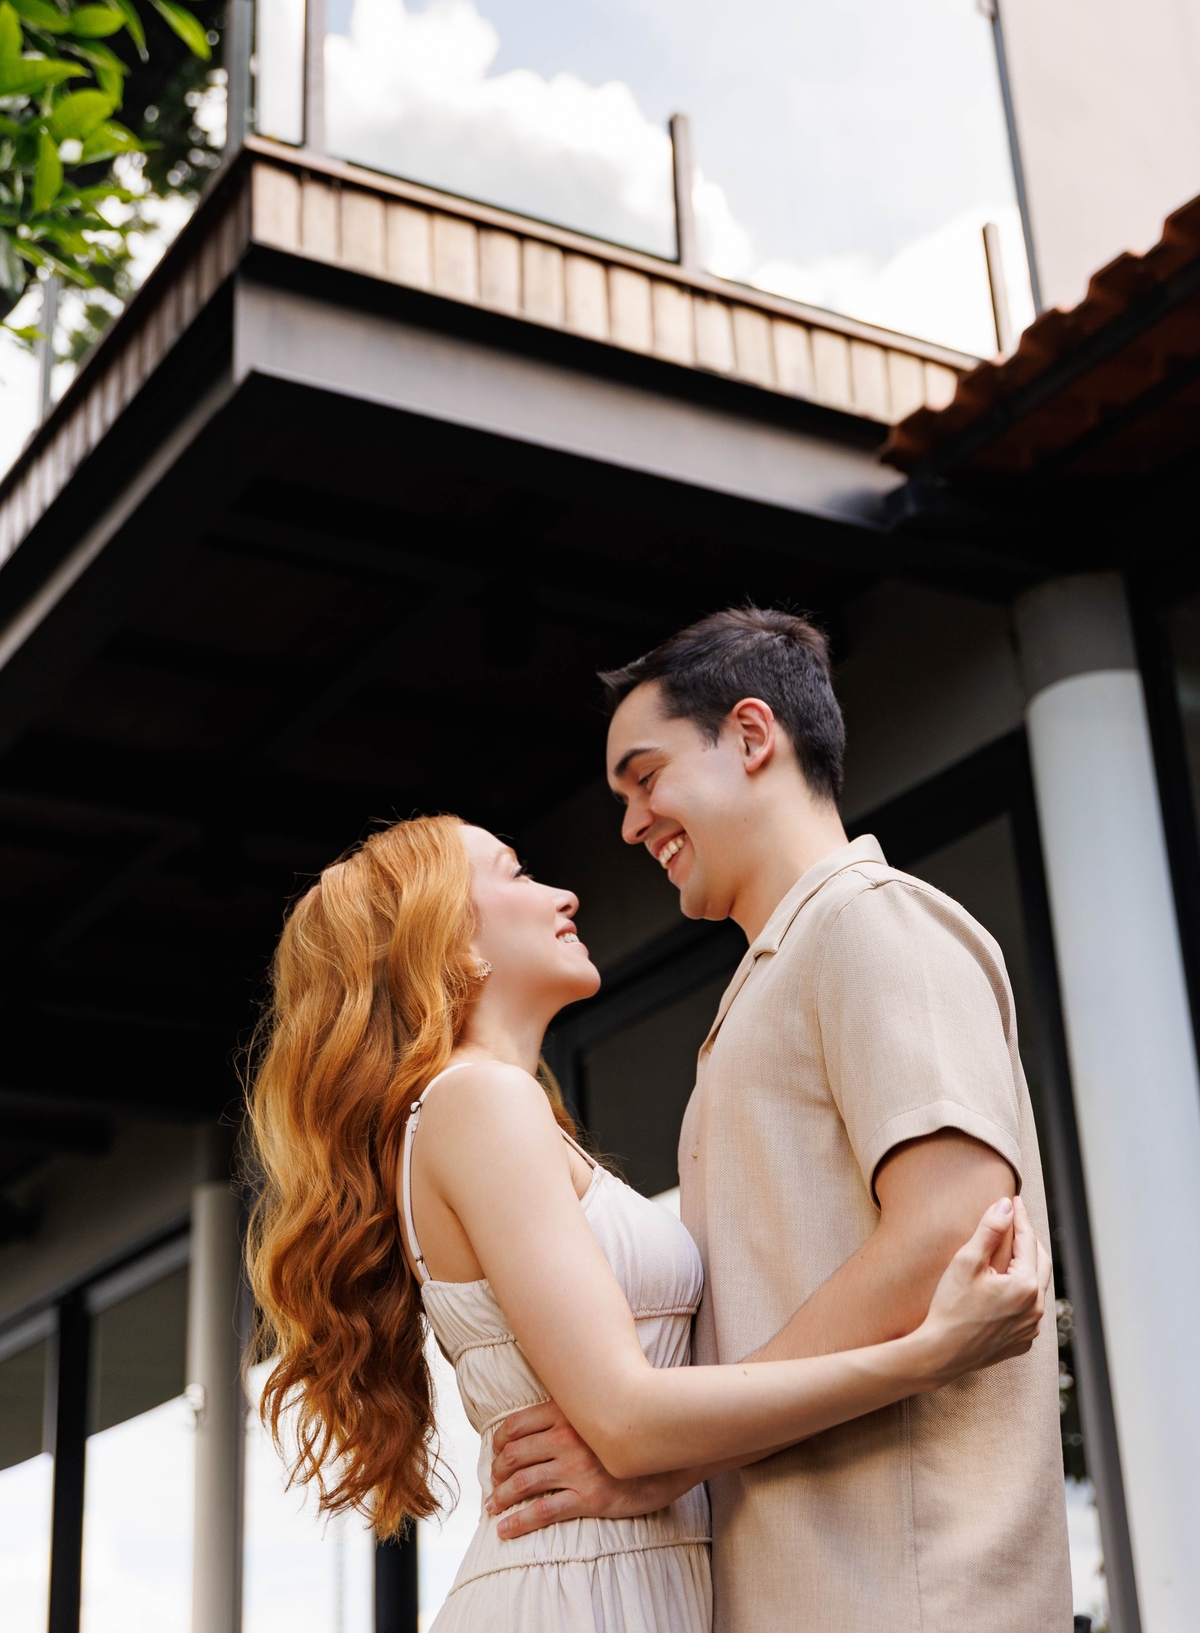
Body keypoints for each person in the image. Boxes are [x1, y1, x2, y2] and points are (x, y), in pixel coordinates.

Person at [246, 810, 1050, 1633]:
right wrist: (926, 1354)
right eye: (516, 873)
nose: (564, 895)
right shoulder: (479, 1100)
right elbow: (628, 1423)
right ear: (450, 944)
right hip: (575, 1593)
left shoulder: (492, 1110)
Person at [487, 606, 1072, 1632]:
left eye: (646, 776)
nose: (630, 824)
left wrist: (673, 1448)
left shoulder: (871, 917)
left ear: (753, 735)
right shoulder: (773, 979)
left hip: (910, 1593)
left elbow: (952, 1228)